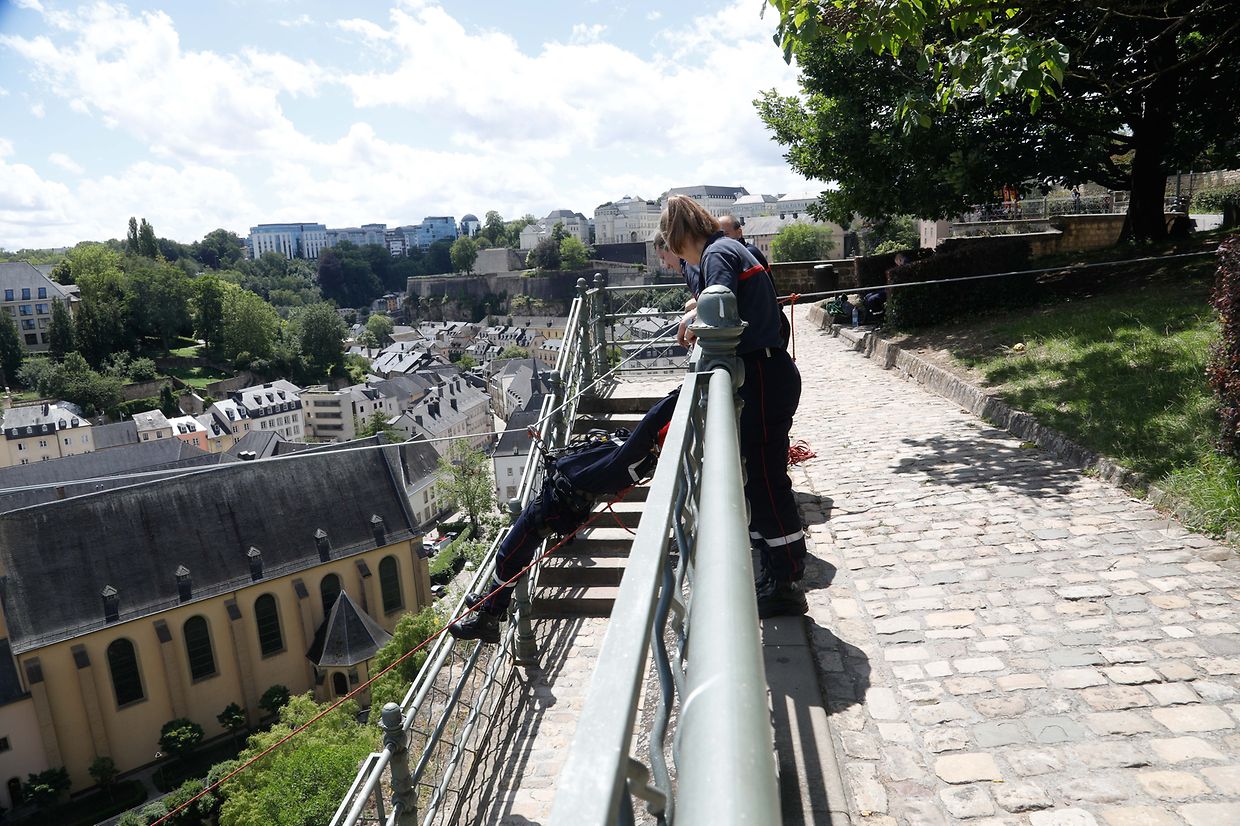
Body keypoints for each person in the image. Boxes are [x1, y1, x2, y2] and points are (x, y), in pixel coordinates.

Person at [661, 195, 808, 618]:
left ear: (677, 238)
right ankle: (775, 571)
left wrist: (693, 321)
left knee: (765, 480)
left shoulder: (716, 253)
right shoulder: (727, 248)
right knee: (762, 479)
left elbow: (720, 299)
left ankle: (785, 580)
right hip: (767, 371)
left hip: (760, 377)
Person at [449, 388, 681, 643]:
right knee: (512, 555)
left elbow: (650, 421)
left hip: (552, 508)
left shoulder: (632, 457)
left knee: (508, 555)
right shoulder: (636, 456)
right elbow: (638, 432)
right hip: (557, 499)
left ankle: (488, 620)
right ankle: (492, 601)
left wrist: (675, 397)